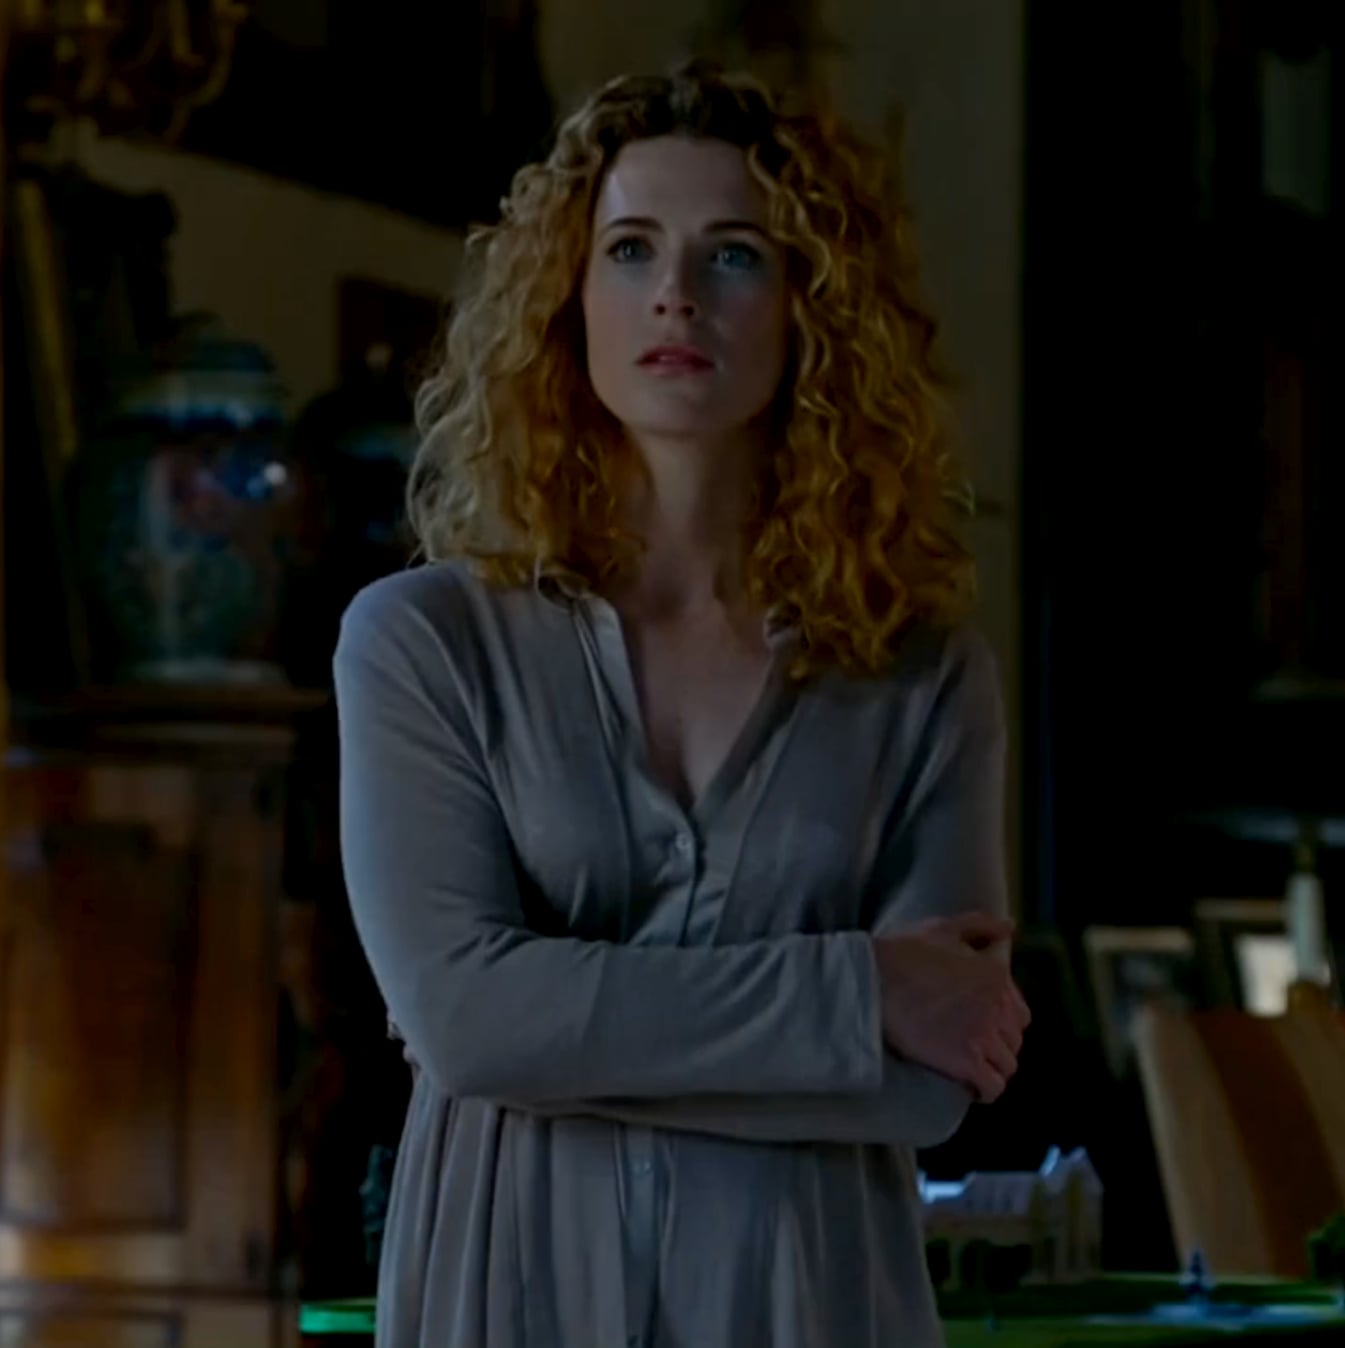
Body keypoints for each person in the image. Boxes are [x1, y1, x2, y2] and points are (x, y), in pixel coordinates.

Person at [333, 63, 1030, 1347]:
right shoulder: (424, 644)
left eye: (735, 255)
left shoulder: (922, 675)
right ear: (568, 295)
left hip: (810, 1301)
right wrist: (859, 993)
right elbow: (468, 1024)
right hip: (511, 1295)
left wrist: (549, 1029)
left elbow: (934, 1080)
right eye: (632, 248)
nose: (677, 292)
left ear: (811, 306)